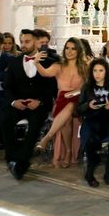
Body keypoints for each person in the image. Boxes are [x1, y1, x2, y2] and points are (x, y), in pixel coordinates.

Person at [1, 29, 55, 180]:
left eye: (27, 41)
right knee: (4, 119)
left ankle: (20, 163)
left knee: (34, 127)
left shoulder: (49, 62)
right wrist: (14, 102)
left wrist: (40, 102)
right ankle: (12, 158)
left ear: (37, 42)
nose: (23, 45)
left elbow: (52, 88)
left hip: (39, 105)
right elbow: (8, 86)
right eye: (22, 41)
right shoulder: (15, 62)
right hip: (18, 104)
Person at [33, 38, 88, 168]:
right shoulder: (59, 65)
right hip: (62, 100)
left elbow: (90, 85)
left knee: (70, 105)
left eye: (73, 48)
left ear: (79, 50)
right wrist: (36, 63)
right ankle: (68, 152)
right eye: (67, 48)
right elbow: (45, 73)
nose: (69, 51)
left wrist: (79, 91)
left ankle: (46, 139)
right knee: (67, 117)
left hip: (79, 100)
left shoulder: (85, 66)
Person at [77, 58, 109, 187]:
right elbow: (78, 109)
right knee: (90, 140)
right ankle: (89, 173)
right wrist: (88, 106)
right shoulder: (86, 87)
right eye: (95, 70)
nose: (98, 74)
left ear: (106, 72)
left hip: (108, 122)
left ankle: (108, 171)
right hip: (91, 121)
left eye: (101, 70)